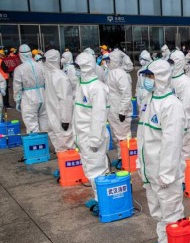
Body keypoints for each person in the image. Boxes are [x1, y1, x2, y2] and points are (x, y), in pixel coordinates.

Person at [137, 59, 186, 243]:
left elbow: (172, 143)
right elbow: (142, 133)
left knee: (171, 209)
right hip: (150, 167)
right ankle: (164, 242)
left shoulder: (171, 105)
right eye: (146, 76)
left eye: (151, 76)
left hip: (166, 171)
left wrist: (166, 173)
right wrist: (141, 163)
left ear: (162, 78)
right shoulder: (149, 99)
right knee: (157, 207)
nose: (147, 80)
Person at [72, 52, 110, 214]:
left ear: (86, 68)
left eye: (78, 67)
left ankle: (103, 201)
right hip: (82, 136)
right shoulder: (81, 85)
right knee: (89, 168)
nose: (76, 70)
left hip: (93, 137)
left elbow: (99, 117)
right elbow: (79, 114)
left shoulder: (98, 88)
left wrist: (94, 140)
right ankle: (97, 197)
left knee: (97, 169)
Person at [42, 50, 75, 154]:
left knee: (65, 140)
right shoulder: (49, 74)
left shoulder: (60, 77)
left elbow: (66, 99)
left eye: (44, 59)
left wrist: (65, 119)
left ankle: (69, 167)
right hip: (52, 112)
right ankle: (63, 165)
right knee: (56, 138)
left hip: (60, 114)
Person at [106, 50, 132, 169]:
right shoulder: (111, 72)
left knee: (124, 135)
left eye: (110, 60)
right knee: (117, 136)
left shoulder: (120, 74)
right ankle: (121, 157)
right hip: (113, 108)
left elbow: (126, 94)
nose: (108, 62)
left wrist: (122, 110)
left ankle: (127, 158)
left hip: (120, 109)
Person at [13, 44, 47, 133]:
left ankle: (36, 143)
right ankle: (44, 142)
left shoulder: (19, 69)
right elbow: (46, 81)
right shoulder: (40, 66)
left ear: (20, 55)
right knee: (44, 120)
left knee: (31, 123)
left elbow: (17, 86)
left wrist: (17, 99)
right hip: (43, 95)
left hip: (29, 98)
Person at [170, 50, 190, 157]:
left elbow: (186, 108)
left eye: (173, 63)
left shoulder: (185, 83)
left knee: (185, 156)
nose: (170, 65)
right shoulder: (171, 80)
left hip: (184, 126)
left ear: (180, 63)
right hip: (174, 124)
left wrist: (183, 127)